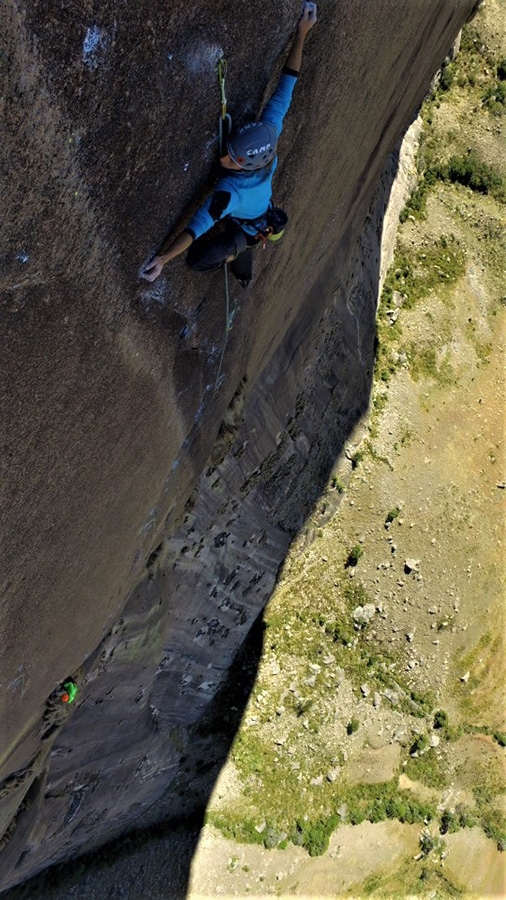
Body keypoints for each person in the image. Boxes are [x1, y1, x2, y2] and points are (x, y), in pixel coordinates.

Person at [141, 2, 317, 287]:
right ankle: (241, 263)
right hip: (255, 213)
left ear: (247, 166)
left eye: (232, 161)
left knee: (199, 259)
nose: (224, 160)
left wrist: (164, 258)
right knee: (239, 241)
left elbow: (196, 227)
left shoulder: (231, 192)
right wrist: (302, 33)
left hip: (246, 226)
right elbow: (287, 85)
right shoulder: (268, 135)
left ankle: (239, 267)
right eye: (230, 153)